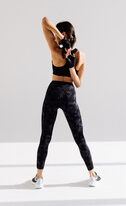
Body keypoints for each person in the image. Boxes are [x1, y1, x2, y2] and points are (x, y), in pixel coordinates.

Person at [32, 17, 101, 189]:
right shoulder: (81, 55)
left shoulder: (55, 49)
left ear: (62, 34)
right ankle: (92, 174)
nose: (54, 38)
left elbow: (44, 21)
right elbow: (78, 84)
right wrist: (71, 64)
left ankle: (39, 177)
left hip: (54, 91)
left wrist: (59, 39)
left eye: (57, 35)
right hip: (69, 94)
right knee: (79, 137)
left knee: (45, 136)